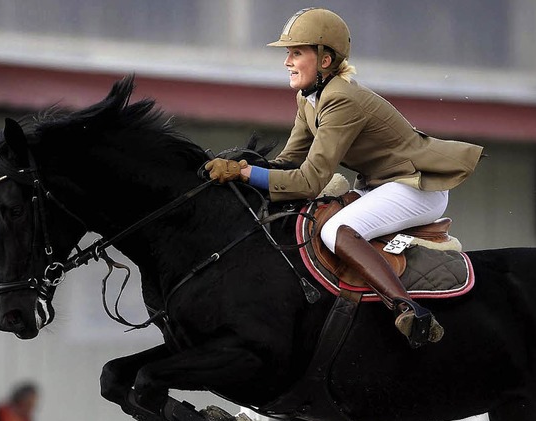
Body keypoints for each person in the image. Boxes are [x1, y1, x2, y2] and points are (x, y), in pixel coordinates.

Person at [205, 7, 483, 348]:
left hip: (416, 187)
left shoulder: (341, 100)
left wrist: (245, 173)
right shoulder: (309, 98)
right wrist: (238, 165)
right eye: (288, 54)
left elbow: (309, 181)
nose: (287, 62)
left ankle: (408, 309)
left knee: (336, 229)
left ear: (324, 60)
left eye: (296, 53)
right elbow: (288, 161)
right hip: (381, 186)